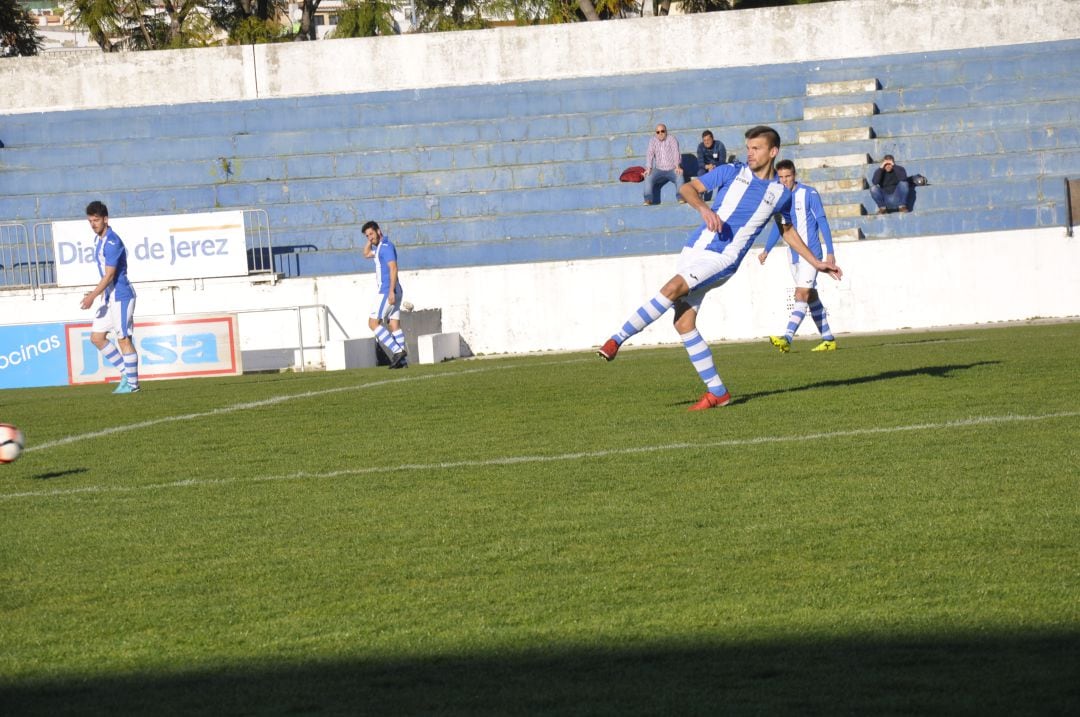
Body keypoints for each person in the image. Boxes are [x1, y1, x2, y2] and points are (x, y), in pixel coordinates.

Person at [597, 126, 843, 411]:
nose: (750, 153)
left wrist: (816, 262)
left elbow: (787, 231)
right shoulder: (730, 172)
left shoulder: (780, 193)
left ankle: (616, 340)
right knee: (683, 322)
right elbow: (688, 188)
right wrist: (704, 209)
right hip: (695, 248)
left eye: (757, 148)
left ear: (773, 152)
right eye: (748, 148)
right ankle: (718, 392)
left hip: (724, 258)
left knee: (671, 288)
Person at [758, 160, 838, 352]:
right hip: (793, 255)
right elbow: (781, 228)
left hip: (812, 253)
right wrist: (767, 250)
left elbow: (822, 222)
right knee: (810, 296)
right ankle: (828, 339)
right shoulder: (778, 198)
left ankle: (787, 337)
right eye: (781, 177)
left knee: (800, 294)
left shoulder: (808, 193)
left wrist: (830, 251)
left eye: (788, 176)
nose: (785, 180)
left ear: (794, 175)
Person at [79, 200, 140, 394]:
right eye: (90, 221)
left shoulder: (112, 241)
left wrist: (92, 296)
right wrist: (97, 293)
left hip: (121, 296)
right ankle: (126, 373)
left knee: (123, 338)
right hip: (109, 296)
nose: (93, 224)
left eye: (96, 220)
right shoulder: (100, 240)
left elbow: (110, 275)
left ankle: (133, 386)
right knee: (97, 337)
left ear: (105, 219)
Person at [362, 220, 408, 369]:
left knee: (373, 322)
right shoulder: (381, 247)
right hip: (395, 290)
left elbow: (393, 268)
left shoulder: (386, 247)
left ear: (378, 231)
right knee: (394, 324)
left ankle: (397, 351)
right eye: (367, 235)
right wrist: (370, 240)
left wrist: (390, 291)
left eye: (371, 233)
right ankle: (402, 363)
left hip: (388, 290)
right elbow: (366, 254)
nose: (370, 237)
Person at [642, 124, 684, 205]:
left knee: (680, 175)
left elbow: (676, 152)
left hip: (672, 168)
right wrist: (648, 168)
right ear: (656, 133)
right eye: (658, 132)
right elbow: (650, 153)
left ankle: (681, 197)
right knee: (648, 176)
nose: (660, 133)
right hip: (659, 169)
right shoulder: (653, 140)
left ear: (666, 131)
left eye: (662, 131)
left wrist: (677, 166)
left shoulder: (671, 139)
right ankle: (648, 199)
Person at [696, 130, 727, 202]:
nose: (706, 142)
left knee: (724, 171)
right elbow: (700, 162)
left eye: (708, 139)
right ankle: (701, 193)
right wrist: (707, 167)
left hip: (718, 166)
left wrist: (713, 166)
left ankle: (722, 196)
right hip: (706, 167)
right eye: (704, 140)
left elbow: (722, 161)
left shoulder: (719, 145)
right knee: (700, 172)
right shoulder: (700, 147)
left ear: (712, 139)